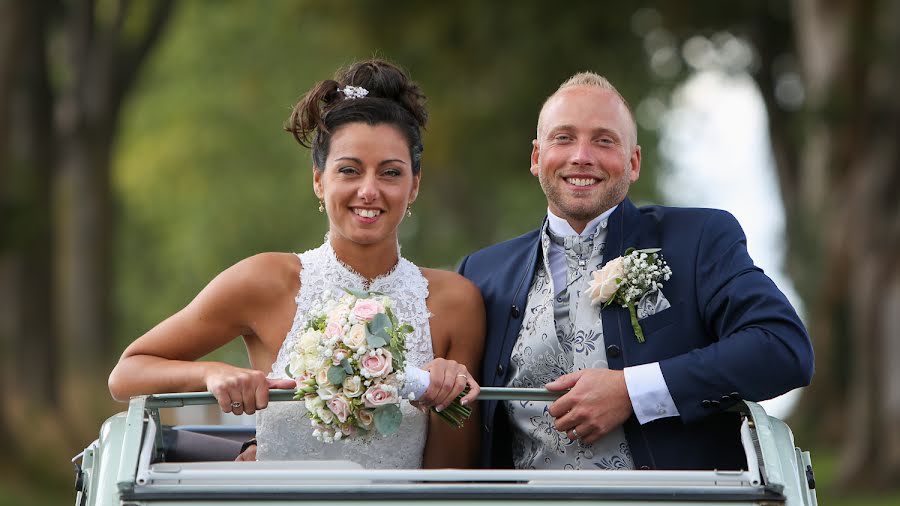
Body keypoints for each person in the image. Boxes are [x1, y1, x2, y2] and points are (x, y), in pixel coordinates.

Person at [108, 59, 485, 469]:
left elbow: (450, 474)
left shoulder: (455, 302)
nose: (369, 190)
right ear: (319, 180)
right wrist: (212, 374)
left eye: (391, 173)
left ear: (414, 185)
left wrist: (446, 395)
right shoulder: (266, 280)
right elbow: (127, 374)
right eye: (349, 170)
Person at [457, 72, 814, 471]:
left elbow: (782, 348)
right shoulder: (480, 272)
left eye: (604, 140)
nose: (582, 156)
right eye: (564, 138)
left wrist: (633, 391)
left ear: (633, 162)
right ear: (537, 157)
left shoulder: (700, 240)